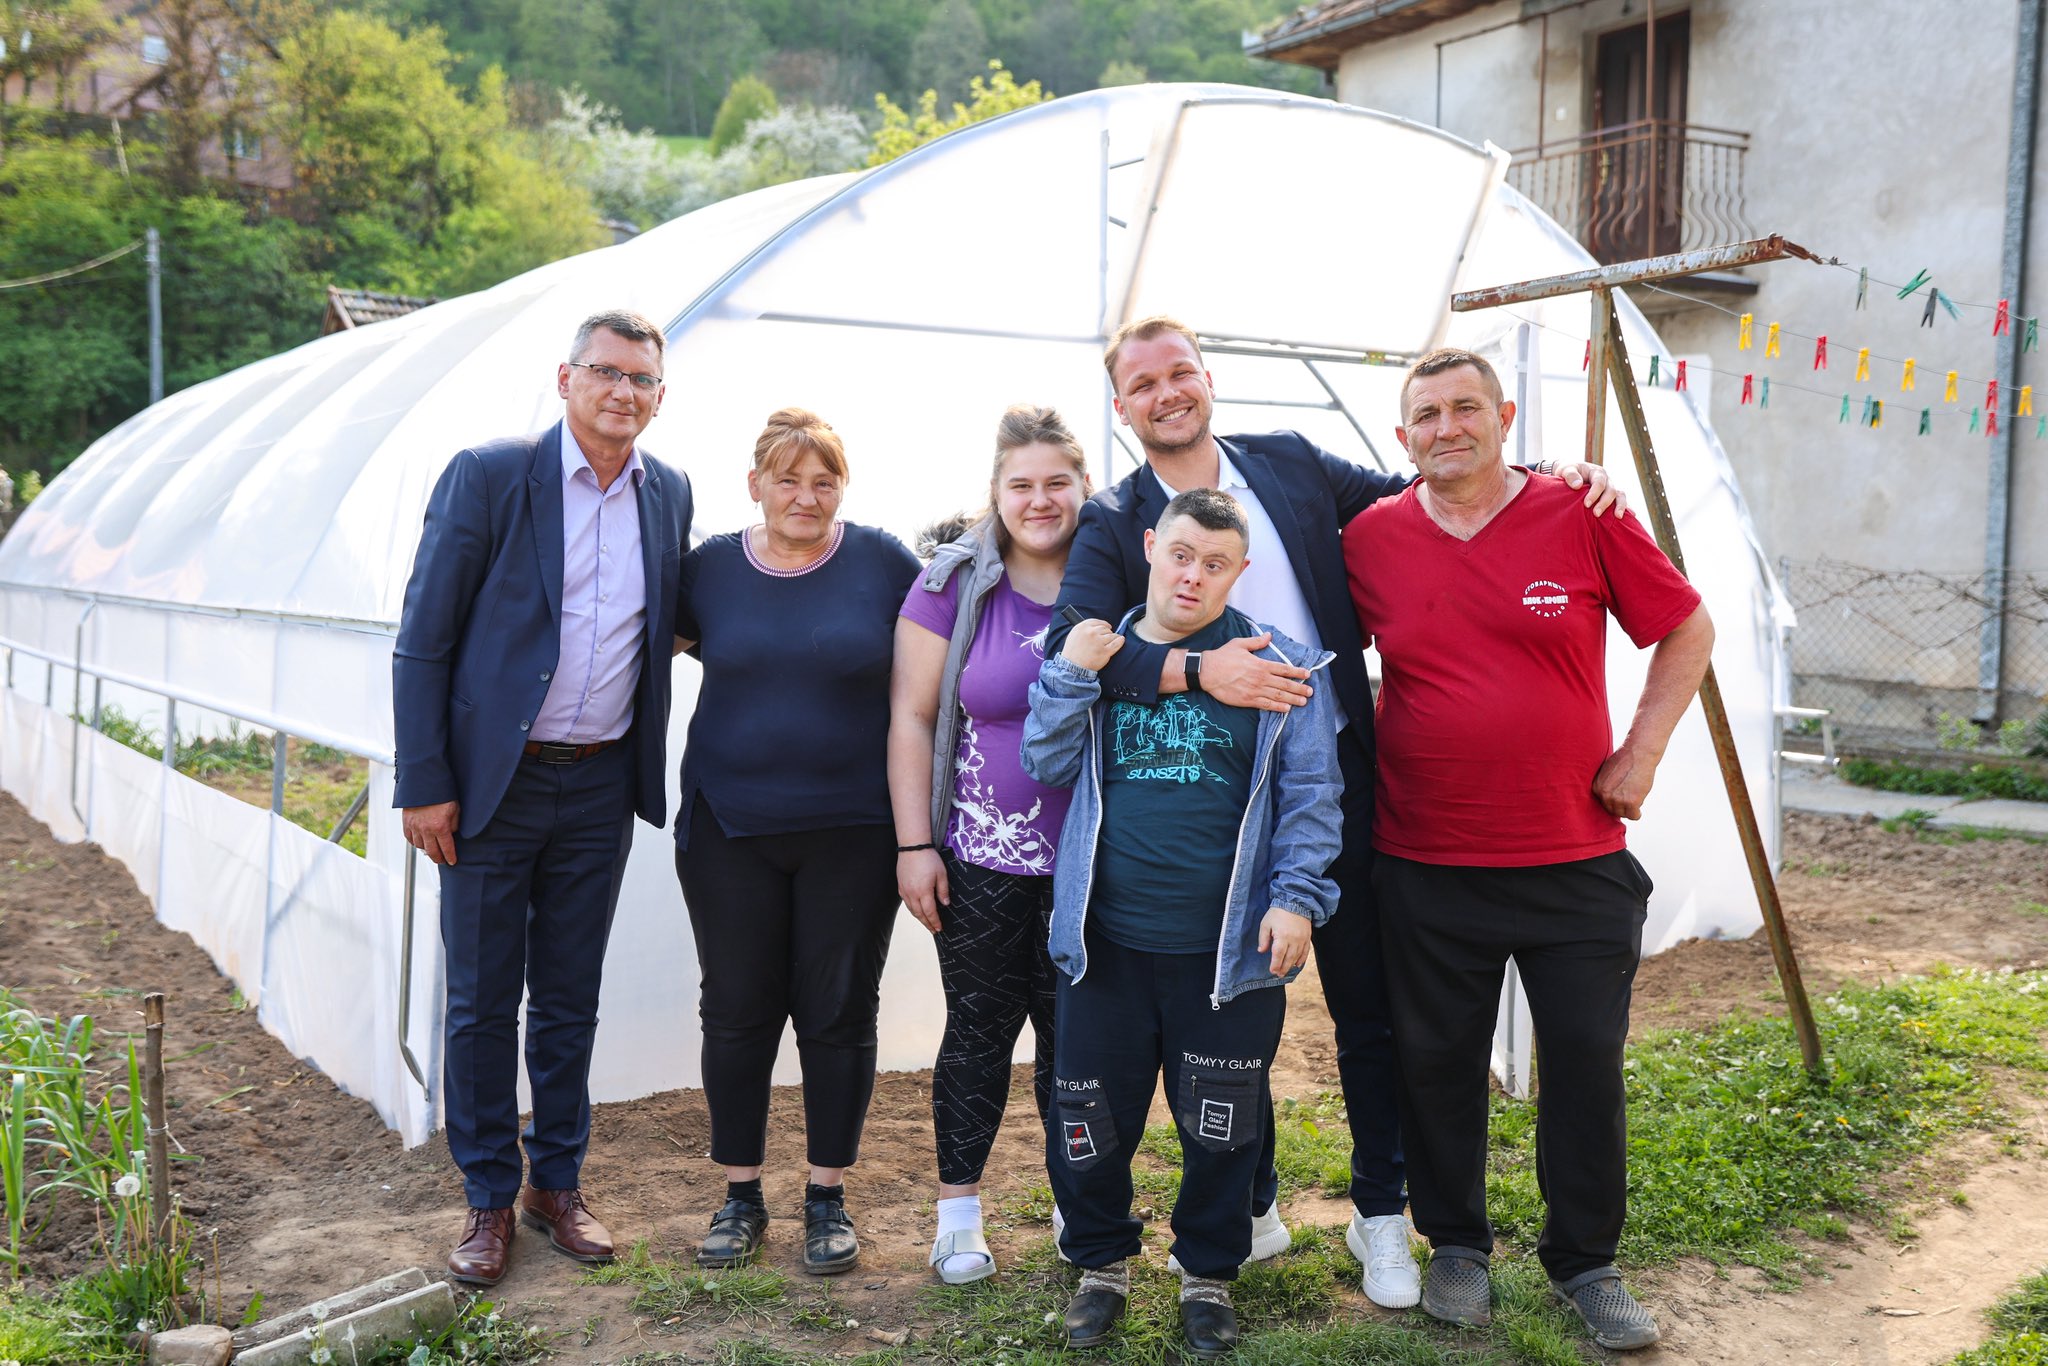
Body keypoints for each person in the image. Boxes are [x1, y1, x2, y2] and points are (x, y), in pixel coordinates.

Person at [1046, 315, 1622, 1307]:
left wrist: (1544, 474)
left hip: (1331, 773)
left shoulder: (1289, 462)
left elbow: (1431, 483)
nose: (1166, 393)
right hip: (1202, 803)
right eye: (1142, 383)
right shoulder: (1115, 517)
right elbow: (1081, 642)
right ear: (1121, 405)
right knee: (1224, 1008)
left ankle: (1380, 1211)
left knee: (1370, 1006)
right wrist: (1203, 674)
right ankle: (1250, 1205)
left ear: (1207, 377)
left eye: (1179, 372)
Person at [1344, 348, 1714, 1352]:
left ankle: (1585, 1262)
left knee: (1585, 1063)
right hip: (1425, 857)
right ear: (1402, 437)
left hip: (1575, 858)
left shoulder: (1580, 512)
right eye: (1427, 414)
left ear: (1504, 417)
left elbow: (1686, 628)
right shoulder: (1369, 538)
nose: (1447, 427)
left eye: (1466, 407)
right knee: (1436, 1063)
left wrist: (1639, 754)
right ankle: (1456, 1246)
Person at [393, 309, 692, 1286]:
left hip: (600, 780)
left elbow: (676, 619)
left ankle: (555, 1184)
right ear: (565, 379)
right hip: (493, 786)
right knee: (482, 1002)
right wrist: (425, 781)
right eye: (605, 372)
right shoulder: (489, 476)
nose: (622, 392)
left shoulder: (668, 492)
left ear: (659, 396)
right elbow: (424, 639)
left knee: (568, 1000)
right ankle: (487, 1197)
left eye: (641, 379)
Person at [1022, 487, 1340, 1359]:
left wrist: (1296, 897)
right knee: (1088, 1116)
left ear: (1240, 572)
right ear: (1151, 549)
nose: (1194, 576)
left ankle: (1207, 1275)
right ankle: (1100, 1266)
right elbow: (1044, 759)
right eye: (1182, 555)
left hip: (1226, 951)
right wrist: (1070, 673)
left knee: (1222, 1123)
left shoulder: (1281, 666)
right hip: (1106, 944)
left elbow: (1313, 795)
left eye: (1216, 563)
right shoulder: (1101, 653)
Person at [674, 407, 920, 1276]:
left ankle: (826, 1198)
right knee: (737, 1008)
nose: (806, 497)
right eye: (788, 479)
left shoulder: (883, 562)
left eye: (824, 481)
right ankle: (740, 1197)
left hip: (855, 832)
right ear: (755, 485)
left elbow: (944, 653)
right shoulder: (708, 570)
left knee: (838, 1010)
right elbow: (632, 646)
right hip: (728, 827)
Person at [887, 406, 1091, 1284]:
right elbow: (912, 715)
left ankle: (1079, 1206)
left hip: (1092, 863)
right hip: (980, 858)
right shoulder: (953, 582)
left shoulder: (1118, 571)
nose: (1040, 500)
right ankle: (958, 1217)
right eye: (1022, 484)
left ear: (1083, 486)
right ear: (997, 492)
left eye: (1057, 482)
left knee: (1078, 1044)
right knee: (978, 1032)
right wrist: (915, 845)